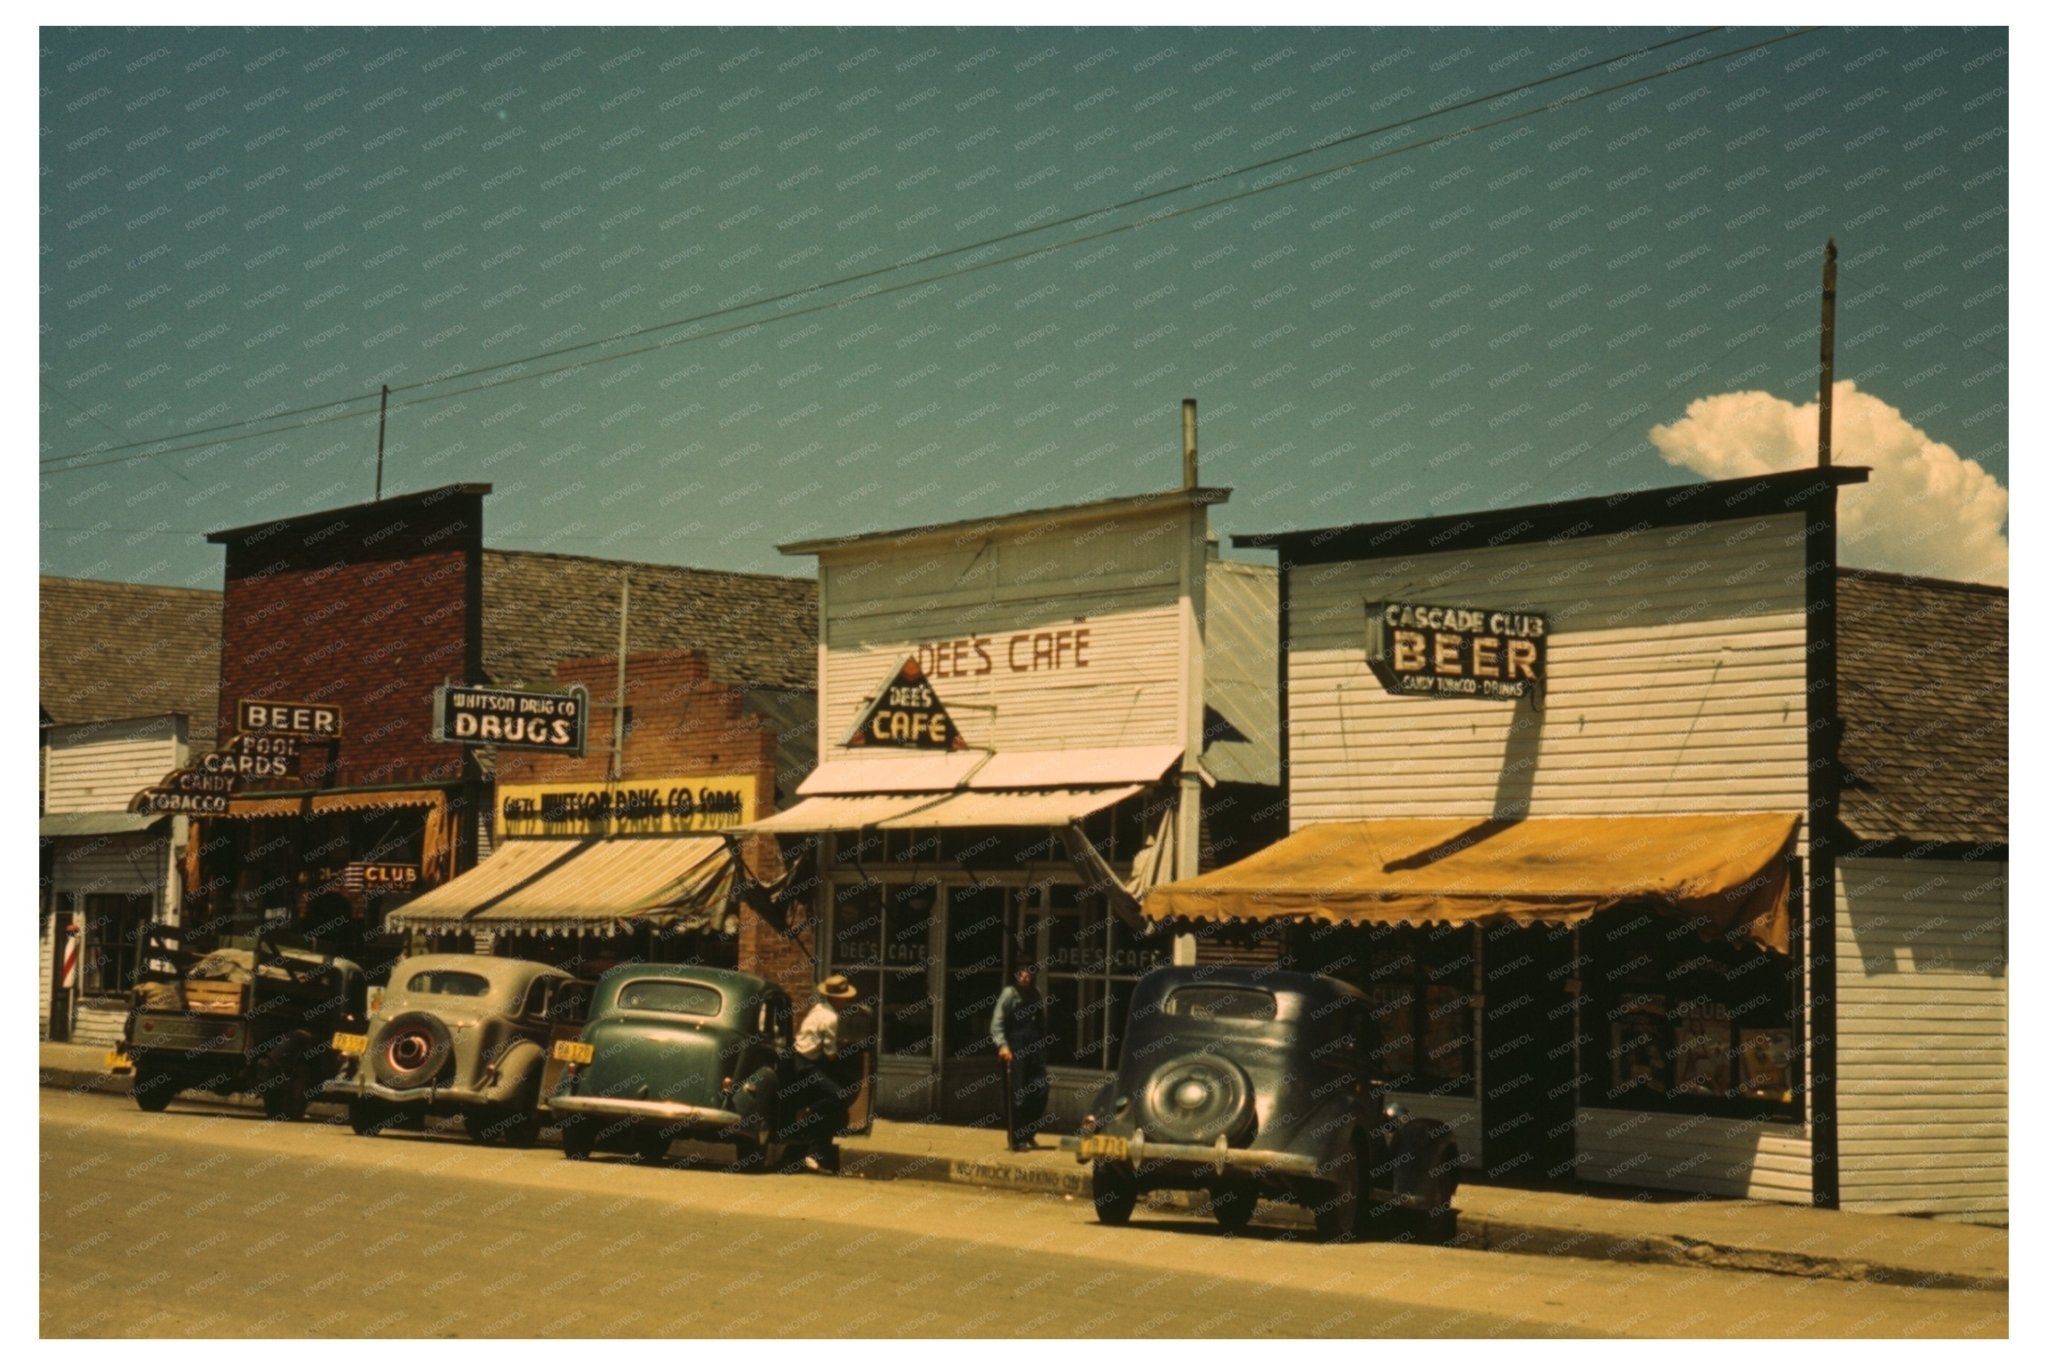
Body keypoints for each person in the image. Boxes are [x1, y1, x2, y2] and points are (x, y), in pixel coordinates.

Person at [790, 973, 859, 1173]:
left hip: (798, 1059)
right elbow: (830, 1055)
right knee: (839, 1097)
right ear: (836, 997)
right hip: (807, 1066)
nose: (847, 1000)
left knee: (833, 1107)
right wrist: (842, 1050)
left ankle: (816, 1150)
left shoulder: (817, 1009)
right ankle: (810, 1113)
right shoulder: (831, 1018)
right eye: (845, 997)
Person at [991, 964, 1048, 1151]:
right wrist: (1003, 1046)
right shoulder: (1009, 994)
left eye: (1029, 972)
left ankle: (1029, 1133)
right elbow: (997, 1022)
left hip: (1034, 1046)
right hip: (1016, 1047)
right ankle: (1016, 1139)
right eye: (1021, 971)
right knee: (1018, 1095)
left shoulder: (1035, 993)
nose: (1025, 975)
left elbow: (1040, 1020)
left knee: (1040, 1089)